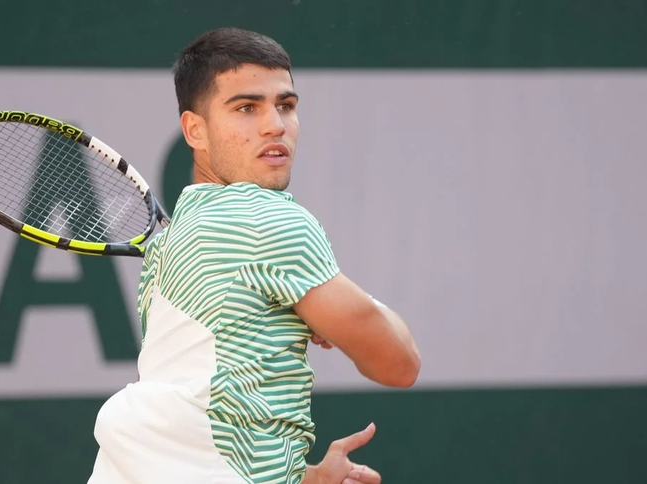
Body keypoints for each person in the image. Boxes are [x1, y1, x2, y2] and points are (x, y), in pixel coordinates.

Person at [87, 27, 421, 484]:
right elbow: (398, 363)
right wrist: (332, 308)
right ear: (194, 130)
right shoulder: (267, 220)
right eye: (246, 107)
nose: (274, 125)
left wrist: (306, 478)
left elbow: (200, 424)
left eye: (285, 105)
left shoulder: (168, 244)